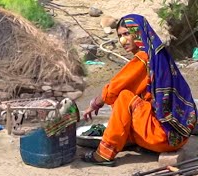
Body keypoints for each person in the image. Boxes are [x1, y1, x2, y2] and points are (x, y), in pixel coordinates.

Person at [81, 14, 197, 166]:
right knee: (132, 97)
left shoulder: (144, 58)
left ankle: (104, 153)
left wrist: (95, 103)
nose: (123, 40)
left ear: (138, 33)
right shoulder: (158, 54)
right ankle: (135, 141)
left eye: (127, 34)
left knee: (123, 96)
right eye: (120, 36)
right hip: (178, 137)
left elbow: (113, 89)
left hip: (162, 137)